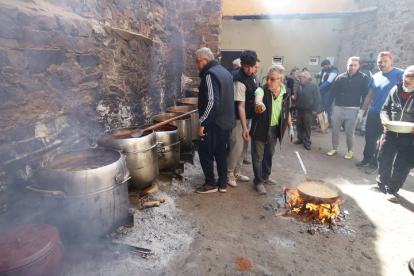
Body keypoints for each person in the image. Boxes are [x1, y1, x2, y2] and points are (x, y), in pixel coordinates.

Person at [194, 47, 236, 194]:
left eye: (198, 61)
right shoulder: (225, 72)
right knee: (221, 154)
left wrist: (202, 122)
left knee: (205, 152)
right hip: (226, 122)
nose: (196, 65)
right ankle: (222, 184)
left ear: (206, 60)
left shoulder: (210, 75)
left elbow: (212, 102)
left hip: (214, 123)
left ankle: (210, 184)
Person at [355, 52, 404, 174]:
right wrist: (362, 111)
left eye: (385, 61)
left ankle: (374, 164)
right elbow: (369, 95)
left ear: (391, 60)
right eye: (379, 62)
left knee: (382, 140)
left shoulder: (400, 74)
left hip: (389, 115)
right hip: (374, 112)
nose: (382, 64)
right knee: (370, 138)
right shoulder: (375, 76)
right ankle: (366, 158)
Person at [250, 64, 294, 195]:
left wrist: (291, 127)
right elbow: (258, 97)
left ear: (281, 80)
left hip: (275, 130)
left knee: (269, 154)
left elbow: (287, 111)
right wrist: (259, 103)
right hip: (260, 128)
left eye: (272, 79)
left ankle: (265, 176)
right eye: (267, 78)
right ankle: (258, 182)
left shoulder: (285, 93)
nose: (268, 82)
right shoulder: (262, 90)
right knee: (258, 157)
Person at [373, 65, 414, 202]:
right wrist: (385, 119)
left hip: (410, 137)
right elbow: (385, 109)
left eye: (411, 76)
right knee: (384, 158)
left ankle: (392, 189)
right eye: (406, 76)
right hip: (390, 132)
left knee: (403, 165)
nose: (408, 79)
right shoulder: (395, 89)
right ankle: (381, 185)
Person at [325, 57, 370, 159]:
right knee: (335, 131)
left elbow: (366, 95)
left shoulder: (363, 78)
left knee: (349, 132)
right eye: (350, 65)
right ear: (347, 65)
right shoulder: (340, 77)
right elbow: (332, 93)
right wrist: (327, 108)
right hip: (338, 108)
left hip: (353, 109)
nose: (352, 67)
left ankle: (350, 150)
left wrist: (363, 112)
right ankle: (334, 148)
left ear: (359, 66)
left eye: (355, 65)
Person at [227, 50, 258, 188]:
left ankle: (237, 171)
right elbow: (240, 106)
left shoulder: (253, 76)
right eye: (246, 66)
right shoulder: (238, 80)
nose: (249, 69)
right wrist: (245, 127)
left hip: (248, 117)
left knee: (244, 147)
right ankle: (229, 174)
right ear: (241, 64)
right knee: (236, 147)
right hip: (237, 119)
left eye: (252, 66)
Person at [293, 71, 321, 150]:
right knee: (299, 125)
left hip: (308, 110)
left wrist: (315, 109)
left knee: (307, 127)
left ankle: (307, 142)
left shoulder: (313, 85)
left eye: (301, 77)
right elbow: (298, 96)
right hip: (300, 109)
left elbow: (318, 98)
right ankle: (300, 139)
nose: (299, 79)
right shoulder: (300, 85)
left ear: (306, 78)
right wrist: (296, 103)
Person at [243, 58, 261, 166]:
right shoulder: (244, 79)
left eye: (258, 67)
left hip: (251, 112)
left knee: (248, 134)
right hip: (243, 112)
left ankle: (244, 155)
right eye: (256, 67)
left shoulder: (256, 78)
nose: (256, 69)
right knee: (242, 137)